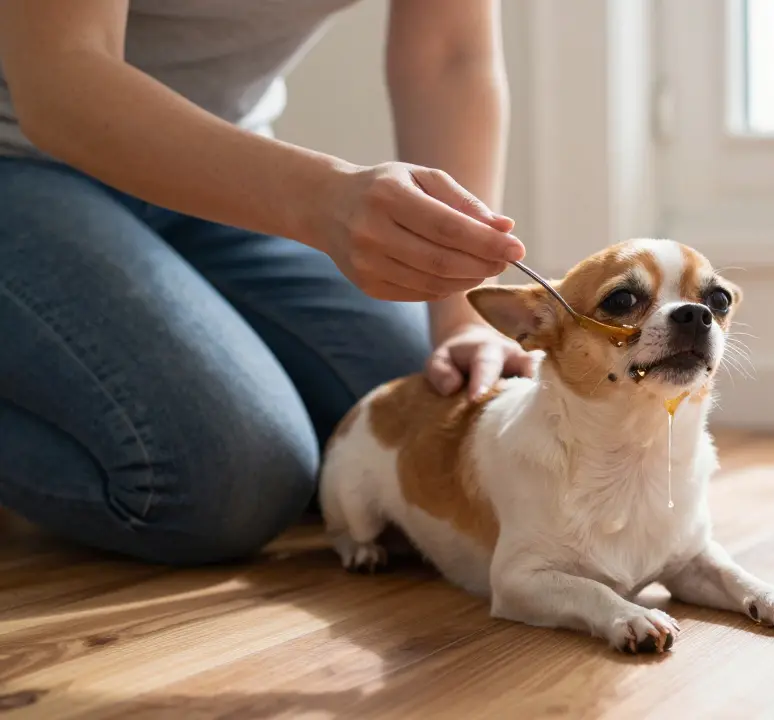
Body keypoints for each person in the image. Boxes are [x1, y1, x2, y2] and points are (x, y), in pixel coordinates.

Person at [0, 1, 535, 565]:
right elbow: (62, 77)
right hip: (20, 157)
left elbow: (450, 57)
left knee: (411, 416)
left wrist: (457, 319)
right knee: (224, 481)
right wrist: (322, 200)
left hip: (212, 172)